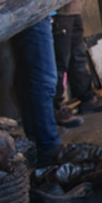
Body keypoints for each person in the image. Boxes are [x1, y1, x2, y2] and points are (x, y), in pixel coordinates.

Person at [51, 0, 102, 128]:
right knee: (60, 63)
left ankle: (87, 98)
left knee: (78, 57)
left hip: (73, 9)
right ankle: (57, 107)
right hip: (59, 12)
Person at [12, 16, 62, 165]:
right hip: (34, 16)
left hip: (32, 16)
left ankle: (38, 147)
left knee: (32, 80)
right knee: (44, 81)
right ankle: (48, 147)